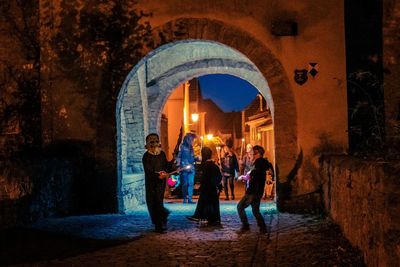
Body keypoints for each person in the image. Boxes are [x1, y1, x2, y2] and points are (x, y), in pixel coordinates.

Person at [237, 145, 274, 234]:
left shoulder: (259, 162)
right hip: (258, 191)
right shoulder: (264, 162)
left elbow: (255, 173)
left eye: (253, 153)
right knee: (255, 211)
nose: (252, 154)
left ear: (258, 153)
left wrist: (245, 177)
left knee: (240, 207)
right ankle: (263, 228)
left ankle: (245, 226)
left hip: (253, 191)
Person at [142, 133, 173, 233]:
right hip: (151, 183)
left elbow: (167, 166)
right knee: (151, 203)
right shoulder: (146, 156)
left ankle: (160, 225)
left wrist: (174, 160)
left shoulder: (162, 154)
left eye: (156, 141)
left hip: (160, 183)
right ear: (148, 144)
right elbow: (148, 170)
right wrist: (158, 174)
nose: (154, 144)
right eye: (152, 142)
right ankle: (160, 220)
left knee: (158, 202)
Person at [186, 147, 222, 225]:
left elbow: (203, 177)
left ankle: (203, 217)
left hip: (207, 188)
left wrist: (200, 184)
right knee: (210, 203)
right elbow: (219, 177)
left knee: (205, 203)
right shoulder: (214, 166)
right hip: (212, 189)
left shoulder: (205, 165)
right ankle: (212, 219)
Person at [176, 133, 197, 203]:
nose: (192, 141)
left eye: (192, 140)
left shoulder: (192, 148)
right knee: (184, 184)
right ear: (187, 139)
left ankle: (190, 199)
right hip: (184, 168)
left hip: (191, 168)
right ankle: (185, 198)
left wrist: (196, 158)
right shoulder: (182, 147)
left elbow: (192, 158)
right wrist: (179, 165)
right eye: (191, 139)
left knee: (191, 183)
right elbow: (179, 156)